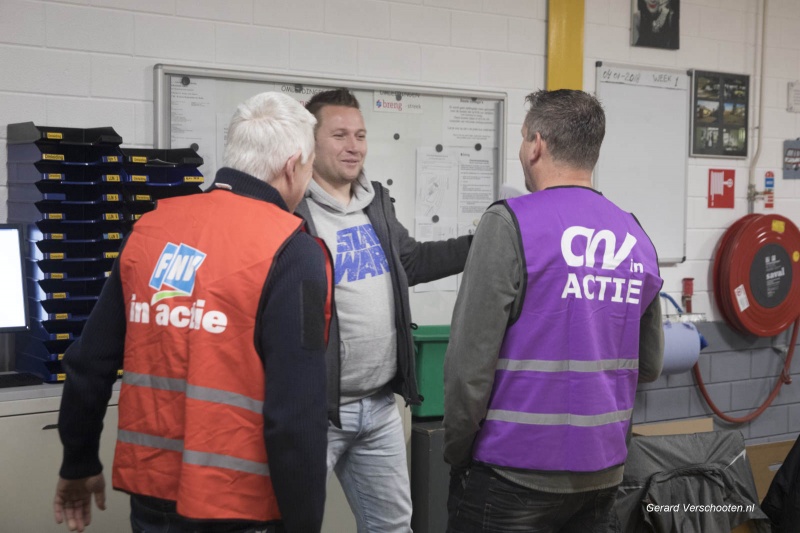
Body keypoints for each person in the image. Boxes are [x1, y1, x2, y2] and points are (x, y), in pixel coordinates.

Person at [53, 92, 332, 533]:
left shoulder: (151, 229)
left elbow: (89, 364)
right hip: (241, 506)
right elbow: (294, 416)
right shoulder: (291, 250)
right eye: (311, 168)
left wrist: (78, 462)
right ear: (293, 164)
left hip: (153, 499)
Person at [443, 89, 664, 532]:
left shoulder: (509, 223)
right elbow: (652, 364)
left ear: (537, 144)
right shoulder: (634, 234)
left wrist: (458, 450)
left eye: (524, 138)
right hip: (603, 472)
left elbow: (469, 367)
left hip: (511, 470)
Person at [294, 88, 471, 533]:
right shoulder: (290, 211)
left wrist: (484, 240)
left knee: (393, 526)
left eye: (360, 135)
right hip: (315, 410)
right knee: (290, 524)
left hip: (379, 407)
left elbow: (409, 263)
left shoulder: (376, 202)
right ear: (308, 143)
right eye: (339, 135)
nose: (353, 146)